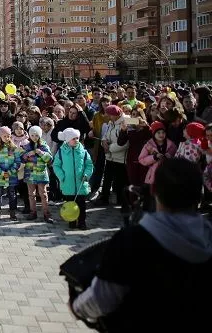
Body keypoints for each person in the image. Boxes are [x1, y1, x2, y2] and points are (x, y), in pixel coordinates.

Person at [70, 158, 212, 331]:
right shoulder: (208, 237)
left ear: (154, 190)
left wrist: (76, 306)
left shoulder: (132, 241)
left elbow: (101, 300)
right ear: (199, 194)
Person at [53, 128, 94, 230]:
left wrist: (86, 174)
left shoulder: (83, 152)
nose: (76, 140)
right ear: (67, 140)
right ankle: (71, 220)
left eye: (77, 138)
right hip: (68, 184)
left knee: (81, 206)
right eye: (73, 138)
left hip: (81, 184)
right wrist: (62, 176)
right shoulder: (61, 152)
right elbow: (56, 165)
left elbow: (89, 165)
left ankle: (82, 222)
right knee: (69, 204)